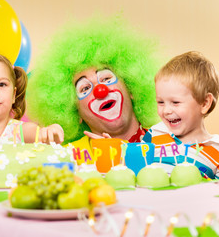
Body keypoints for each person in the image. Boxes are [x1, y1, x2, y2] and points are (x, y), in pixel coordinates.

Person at [26, 15, 161, 163]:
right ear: (76, 114)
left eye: (106, 79)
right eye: (84, 88)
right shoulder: (68, 157)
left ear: (130, 89)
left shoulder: (166, 142)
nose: (100, 90)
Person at [143, 51, 219, 183]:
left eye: (175, 102)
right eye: (160, 102)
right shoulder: (154, 134)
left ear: (204, 103)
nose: (166, 110)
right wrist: (117, 149)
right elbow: (132, 169)